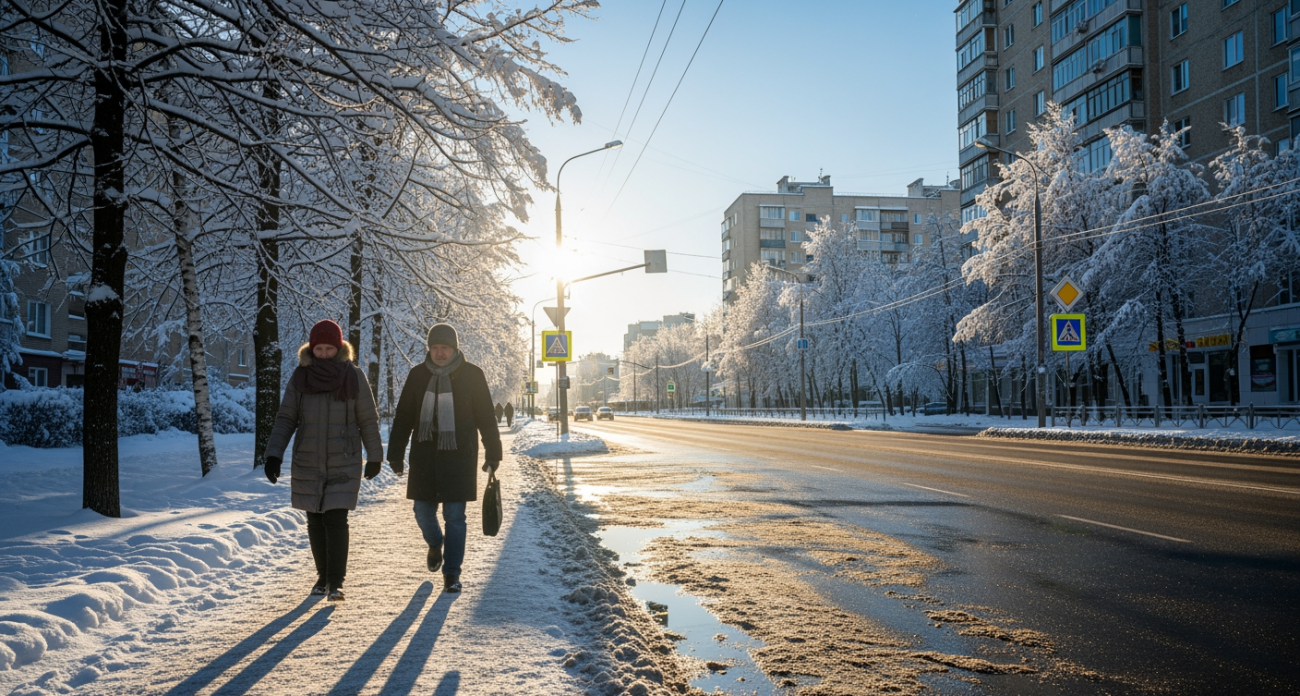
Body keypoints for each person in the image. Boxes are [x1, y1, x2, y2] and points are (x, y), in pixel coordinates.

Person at [264, 319, 383, 602]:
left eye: (331, 348)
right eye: (320, 348)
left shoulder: (353, 376)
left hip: (344, 457)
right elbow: (286, 418)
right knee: (315, 519)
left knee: (336, 517)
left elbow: (367, 419)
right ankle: (322, 576)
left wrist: (375, 455)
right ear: (312, 348)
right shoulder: (300, 377)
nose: (325, 353)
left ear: (339, 347)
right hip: (308, 457)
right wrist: (273, 454)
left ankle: (335, 582)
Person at [388, 323, 501, 593]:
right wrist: (395, 452)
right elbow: (404, 416)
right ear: (430, 348)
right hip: (424, 456)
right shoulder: (418, 375)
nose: (439, 353)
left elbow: (486, 417)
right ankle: (435, 542)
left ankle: (452, 574)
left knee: (455, 516)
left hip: (459, 456)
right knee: (422, 511)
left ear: (454, 348)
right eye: (435, 347)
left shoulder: (473, 375)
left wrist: (493, 451)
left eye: (445, 348)